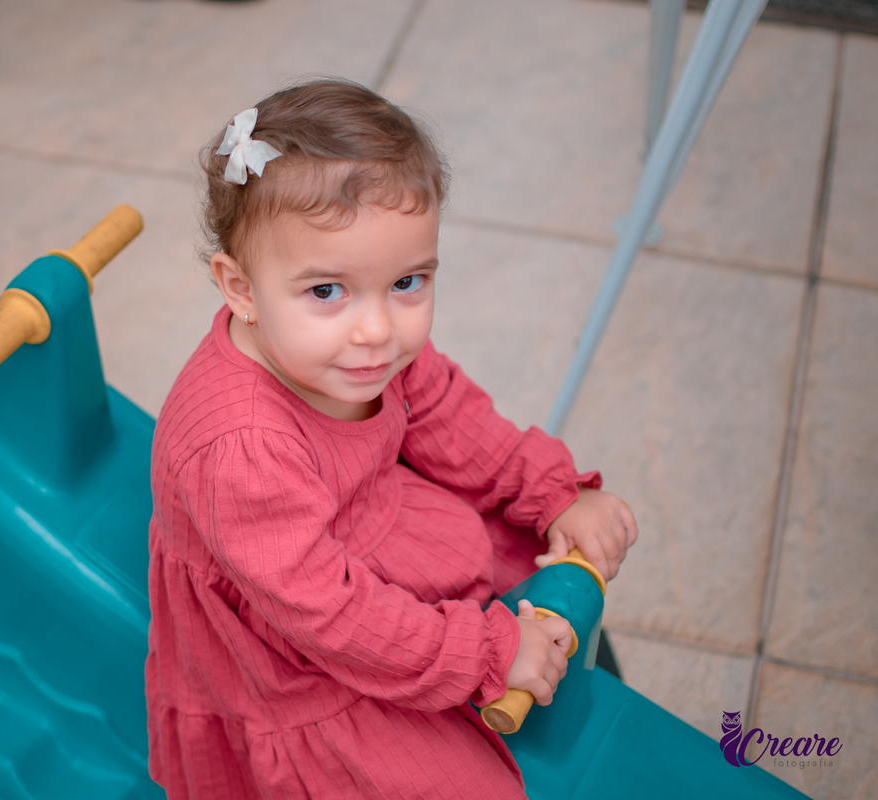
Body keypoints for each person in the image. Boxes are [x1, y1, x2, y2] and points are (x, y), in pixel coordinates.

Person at [145, 78, 637, 799]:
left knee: (512, 556)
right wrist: (479, 656)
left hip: (359, 535)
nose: (378, 331)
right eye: (326, 292)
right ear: (240, 288)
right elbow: (331, 617)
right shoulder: (239, 449)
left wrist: (553, 492)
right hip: (294, 651)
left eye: (408, 281)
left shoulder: (354, 351)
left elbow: (443, 409)